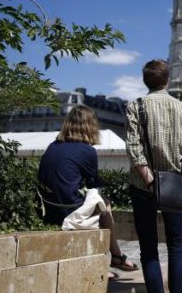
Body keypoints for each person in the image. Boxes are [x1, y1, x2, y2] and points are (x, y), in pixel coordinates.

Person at [126, 59, 182, 293]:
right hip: (173, 184)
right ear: (167, 80)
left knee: (148, 247)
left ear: (145, 81)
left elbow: (134, 149)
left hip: (142, 186)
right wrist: (180, 180)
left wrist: (149, 181)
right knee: (176, 245)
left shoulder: (135, 107)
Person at [38, 105, 138, 274]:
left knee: (95, 202)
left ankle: (114, 257)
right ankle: (114, 256)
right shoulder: (87, 151)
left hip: (45, 209)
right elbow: (94, 184)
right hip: (65, 212)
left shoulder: (52, 146)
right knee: (104, 204)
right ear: (91, 126)